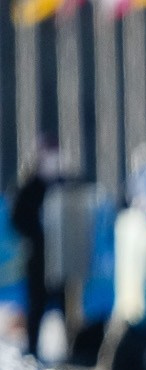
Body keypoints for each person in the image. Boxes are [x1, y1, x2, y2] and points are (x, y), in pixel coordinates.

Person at [11, 136, 59, 356]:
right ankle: (32, 348)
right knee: (36, 304)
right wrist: (37, 232)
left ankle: (68, 347)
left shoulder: (60, 184)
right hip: (38, 256)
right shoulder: (29, 188)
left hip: (61, 256)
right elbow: (17, 220)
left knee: (65, 302)